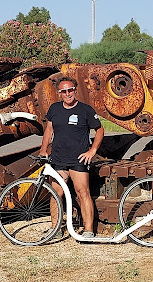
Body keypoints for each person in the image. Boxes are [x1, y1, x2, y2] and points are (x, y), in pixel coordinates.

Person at [38, 76, 104, 238]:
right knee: (55, 193)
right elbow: (49, 130)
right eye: (64, 91)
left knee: (83, 192)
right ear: (59, 93)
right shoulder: (54, 109)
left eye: (71, 90)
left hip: (78, 160)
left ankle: (89, 231)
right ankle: (55, 229)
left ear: (75, 91)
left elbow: (100, 130)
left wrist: (92, 150)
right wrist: (43, 149)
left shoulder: (85, 110)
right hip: (58, 159)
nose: (68, 94)